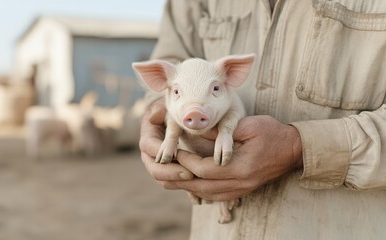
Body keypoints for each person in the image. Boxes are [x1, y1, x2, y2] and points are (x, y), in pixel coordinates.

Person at [139, 0, 386, 239]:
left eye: (215, 89)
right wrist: (156, 117)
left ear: (232, 72)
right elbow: (173, 55)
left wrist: (300, 147)